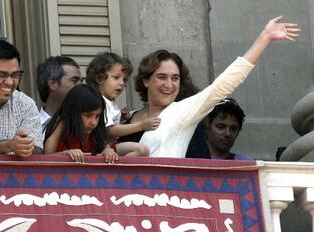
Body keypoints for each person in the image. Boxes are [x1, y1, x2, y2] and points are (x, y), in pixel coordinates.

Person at [121, 16, 300, 157]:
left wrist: (264, 38)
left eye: (175, 78)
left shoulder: (183, 111)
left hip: (161, 195)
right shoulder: (126, 119)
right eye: (162, 77)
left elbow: (225, 83)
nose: (169, 85)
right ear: (145, 80)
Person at [86, 52, 159, 157]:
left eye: (124, 79)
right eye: (116, 78)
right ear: (99, 79)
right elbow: (109, 130)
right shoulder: (99, 101)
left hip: (109, 147)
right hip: (100, 148)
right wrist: (142, 125)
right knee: (141, 150)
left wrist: (121, 118)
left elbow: (105, 123)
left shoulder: (109, 100)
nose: (122, 83)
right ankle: (116, 172)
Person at [44, 84, 118, 163]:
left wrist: (108, 152)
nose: (93, 122)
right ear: (73, 113)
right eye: (88, 115)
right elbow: (47, 157)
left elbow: (105, 147)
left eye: (97, 116)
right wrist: (65, 154)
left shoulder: (97, 130)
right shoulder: (62, 126)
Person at [186, 98, 251, 160]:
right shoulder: (189, 160)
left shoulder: (244, 163)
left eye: (233, 129)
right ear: (207, 127)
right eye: (221, 127)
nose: (227, 134)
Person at [36, 56, 81, 131]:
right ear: (53, 84)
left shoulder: (86, 123)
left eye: (81, 81)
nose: (81, 86)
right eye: (74, 80)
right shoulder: (31, 127)